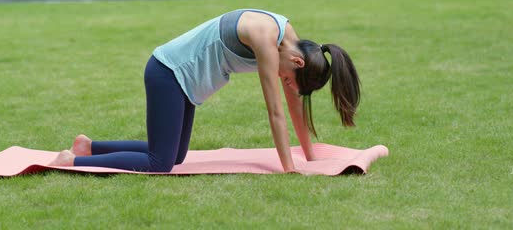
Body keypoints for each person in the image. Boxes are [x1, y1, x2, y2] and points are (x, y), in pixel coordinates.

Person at [49, 9, 361, 173]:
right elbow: (276, 111)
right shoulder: (267, 40)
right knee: (161, 163)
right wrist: (289, 168)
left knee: (177, 155)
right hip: (168, 72)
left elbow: (294, 105)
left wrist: (309, 156)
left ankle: (89, 146)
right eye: (291, 80)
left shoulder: (289, 42)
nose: (288, 85)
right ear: (297, 62)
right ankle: (71, 160)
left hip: (182, 79)